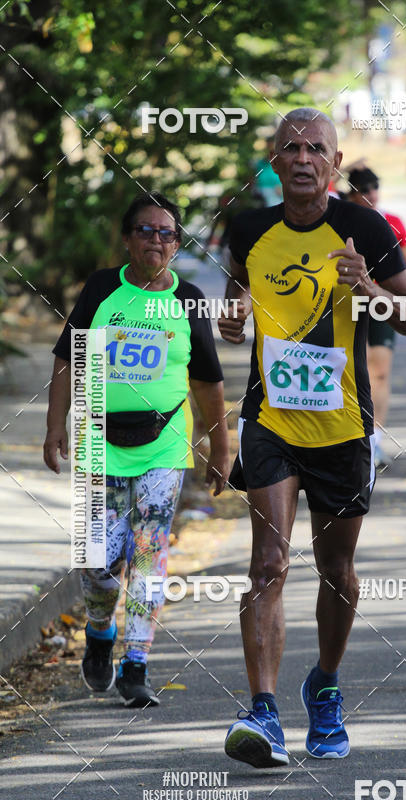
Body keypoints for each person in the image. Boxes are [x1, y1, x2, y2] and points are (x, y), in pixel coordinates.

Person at [218, 107, 406, 768]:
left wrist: (365, 285)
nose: (304, 158)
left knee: (337, 572)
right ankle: (263, 713)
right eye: (291, 148)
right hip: (270, 422)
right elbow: (237, 297)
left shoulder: (364, 227)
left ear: (335, 165)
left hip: (341, 427)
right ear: (274, 162)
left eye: (317, 148)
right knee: (268, 565)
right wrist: (232, 319)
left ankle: (326, 685)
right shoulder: (248, 228)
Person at [44, 191, 229, 706]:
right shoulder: (103, 288)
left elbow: (208, 379)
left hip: (164, 442)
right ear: (127, 239)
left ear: (176, 245)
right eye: (145, 230)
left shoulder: (189, 298)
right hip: (99, 441)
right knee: (97, 561)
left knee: (148, 552)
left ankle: (137, 663)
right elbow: (67, 360)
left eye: (167, 232)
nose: (156, 239)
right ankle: (100, 631)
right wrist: (54, 425)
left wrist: (221, 445)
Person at [346, 165, 406, 468]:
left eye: (374, 188)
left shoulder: (390, 221)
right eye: (364, 190)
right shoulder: (339, 219)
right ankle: (351, 434)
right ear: (351, 193)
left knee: (378, 372)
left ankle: (374, 439)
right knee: (355, 371)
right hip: (347, 303)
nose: (371, 195)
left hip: (383, 302)